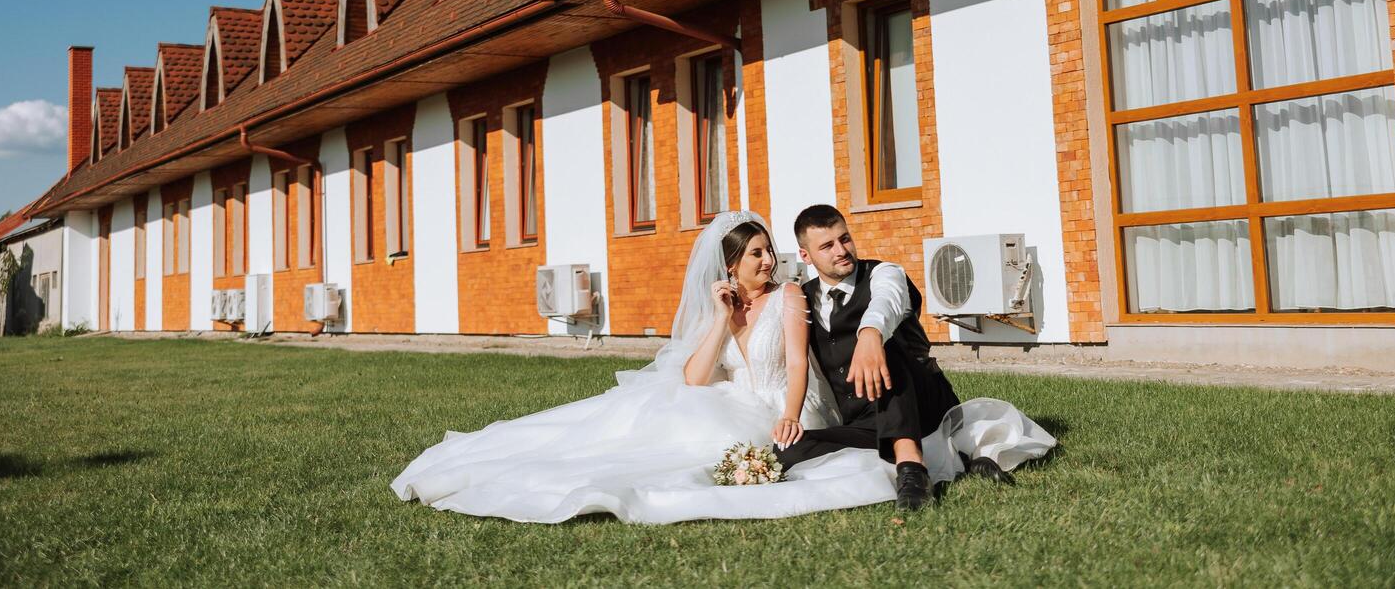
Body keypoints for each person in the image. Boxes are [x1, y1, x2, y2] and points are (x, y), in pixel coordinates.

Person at [391, 210, 1050, 523]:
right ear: (730, 267)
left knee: (748, 446)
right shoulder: (736, 303)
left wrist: (792, 410)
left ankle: (913, 461)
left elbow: (797, 364)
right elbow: (693, 379)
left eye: (769, 253)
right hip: (734, 399)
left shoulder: (796, 297)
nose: (767, 264)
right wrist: (719, 319)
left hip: (787, 405)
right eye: (756, 256)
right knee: (653, 426)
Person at [774, 204, 1054, 509]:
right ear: (805, 256)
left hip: (922, 402)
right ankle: (960, 460)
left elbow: (887, 302)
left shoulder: (885, 273)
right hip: (865, 420)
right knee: (787, 451)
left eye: (845, 239)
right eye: (827, 246)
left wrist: (871, 334)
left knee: (889, 345)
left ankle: (912, 471)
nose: (842, 250)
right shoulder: (804, 297)